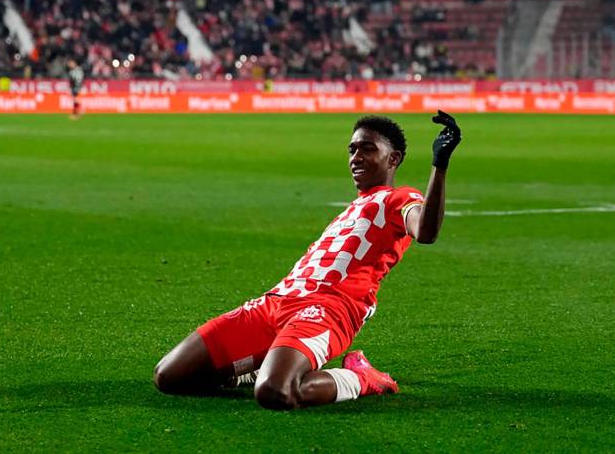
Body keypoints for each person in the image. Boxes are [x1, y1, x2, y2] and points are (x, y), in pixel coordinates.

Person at [154, 111, 463, 410]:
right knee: (169, 376)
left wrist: (440, 164)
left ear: (393, 159)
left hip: (327, 309)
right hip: (276, 302)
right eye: (352, 149)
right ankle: (258, 364)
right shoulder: (353, 208)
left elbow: (425, 231)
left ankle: (360, 377)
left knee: (275, 392)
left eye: (367, 149)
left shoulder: (397, 199)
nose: (356, 157)